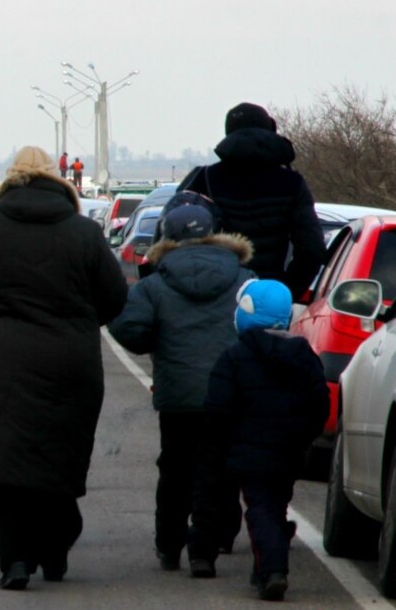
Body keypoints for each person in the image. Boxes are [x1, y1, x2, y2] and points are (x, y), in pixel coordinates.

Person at [0, 146, 128, 590]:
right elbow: (114, 298)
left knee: (2, 455)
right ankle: (55, 545)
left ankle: (15, 560)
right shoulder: (83, 233)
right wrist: (78, 320)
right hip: (70, 359)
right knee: (60, 447)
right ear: (59, 181)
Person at [107, 204, 254, 577]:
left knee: (174, 469)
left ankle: (169, 545)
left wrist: (158, 341)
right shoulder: (243, 279)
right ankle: (204, 549)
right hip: (227, 392)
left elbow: (128, 329)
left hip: (177, 394)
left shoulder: (155, 284)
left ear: (166, 237)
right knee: (216, 469)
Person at [202, 280, 329, 601]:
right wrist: (303, 438)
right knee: (275, 506)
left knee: (261, 509)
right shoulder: (305, 357)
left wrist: (223, 443)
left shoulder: (234, 357)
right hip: (289, 451)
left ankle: (274, 570)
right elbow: (320, 405)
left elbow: (217, 408)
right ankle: (265, 566)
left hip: (248, 452)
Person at [176, 103, 326, 299]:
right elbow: (312, 249)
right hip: (267, 297)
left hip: (212, 296)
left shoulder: (203, 178)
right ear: (268, 132)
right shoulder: (292, 183)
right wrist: (285, 292)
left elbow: (173, 239)